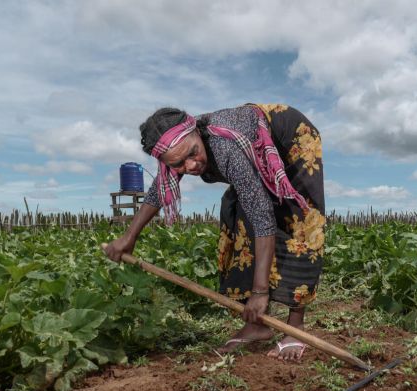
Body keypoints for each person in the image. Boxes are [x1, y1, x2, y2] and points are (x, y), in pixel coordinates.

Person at [104, 104, 325, 362]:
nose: (191, 165)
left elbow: (263, 214)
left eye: (193, 153)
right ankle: (256, 325)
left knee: (299, 216)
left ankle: (295, 325)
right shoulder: (175, 151)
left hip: (292, 136)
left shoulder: (225, 148)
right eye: (179, 164)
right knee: (236, 214)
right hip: (250, 152)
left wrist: (260, 292)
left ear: (196, 133)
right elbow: (158, 191)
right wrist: (129, 237)